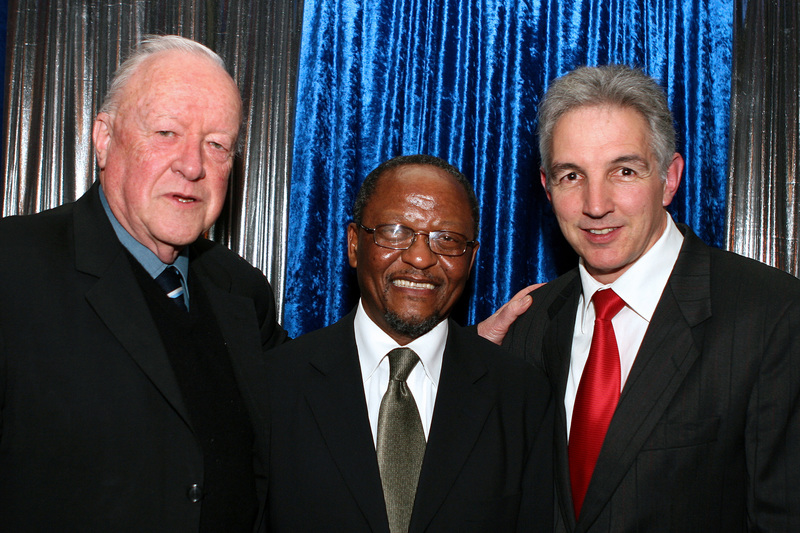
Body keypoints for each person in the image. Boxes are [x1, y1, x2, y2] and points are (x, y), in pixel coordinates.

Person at [479, 64, 800, 531]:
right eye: (572, 176)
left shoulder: (774, 316)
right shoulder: (530, 322)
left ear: (669, 179)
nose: (595, 203)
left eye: (624, 171)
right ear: (547, 189)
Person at [0, 36, 287, 531]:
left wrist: (453, 354)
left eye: (217, 145)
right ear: (105, 139)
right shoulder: (12, 268)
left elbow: (308, 411)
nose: (193, 166)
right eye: (167, 132)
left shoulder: (244, 292)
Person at [264, 154, 553, 532]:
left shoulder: (523, 398)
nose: (419, 257)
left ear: (471, 258)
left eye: (446, 239)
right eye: (395, 231)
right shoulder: (272, 386)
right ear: (354, 244)